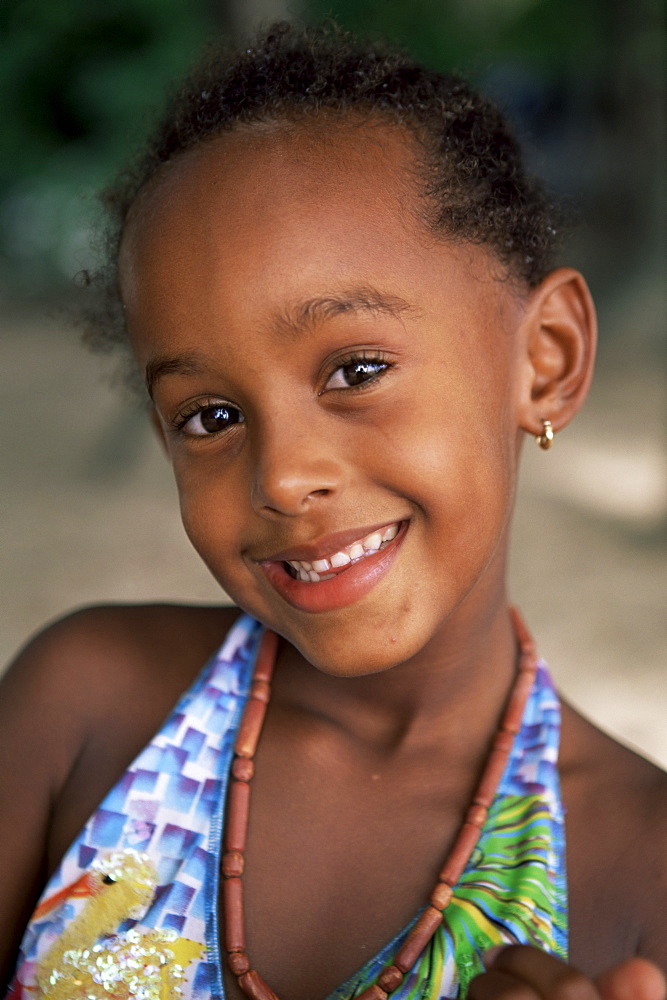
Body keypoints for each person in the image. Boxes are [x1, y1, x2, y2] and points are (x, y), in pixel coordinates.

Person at [1, 21, 665, 1000]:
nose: (281, 476)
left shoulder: (635, 869)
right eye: (211, 415)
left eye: (355, 370)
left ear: (546, 357)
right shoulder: (88, 711)